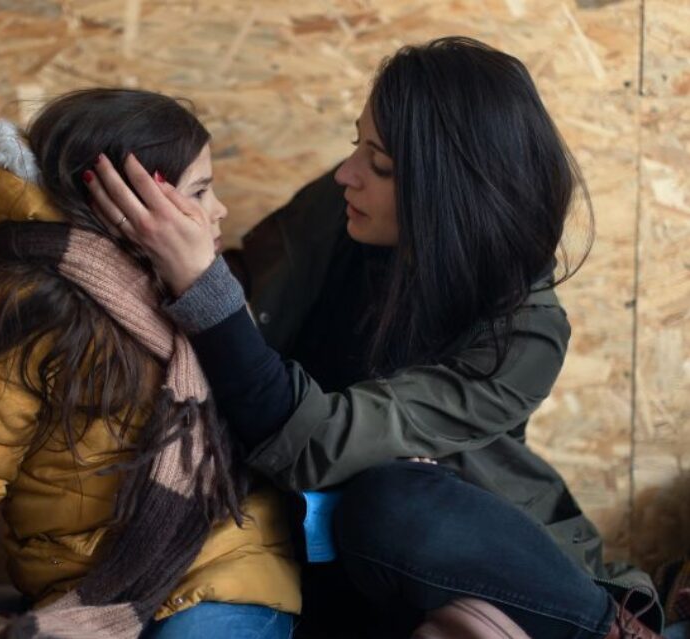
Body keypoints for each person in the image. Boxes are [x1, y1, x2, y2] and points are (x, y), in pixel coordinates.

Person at [82, 38, 665, 638]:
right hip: (300, 533)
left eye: (379, 163)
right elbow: (241, 283)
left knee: (391, 503)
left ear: (447, 190)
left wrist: (202, 284)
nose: (346, 174)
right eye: (355, 144)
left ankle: (605, 626)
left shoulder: (526, 335)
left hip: (432, 547)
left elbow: (309, 443)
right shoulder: (337, 209)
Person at [0, 88, 299, 639]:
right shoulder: (28, 309)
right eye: (201, 191)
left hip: (226, 559)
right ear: (129, 205)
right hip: (88, 585)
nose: (220, 209)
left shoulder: (205, 288)